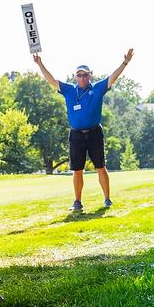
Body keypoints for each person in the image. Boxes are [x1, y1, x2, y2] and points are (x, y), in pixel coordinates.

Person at [32, 50, 134, 212]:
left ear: (90, 76)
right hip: (76, 135)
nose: (82, 78)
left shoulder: (98, 88)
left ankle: (107, 199)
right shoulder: (69, 90)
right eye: (79, 75)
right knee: (77, 170)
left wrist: (125, 63)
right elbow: (51, 79)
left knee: (100, 167)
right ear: (75, 77)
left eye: (85, 75)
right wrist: (39, 64)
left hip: (94, 133)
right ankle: (77, 201)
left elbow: (113, 77)